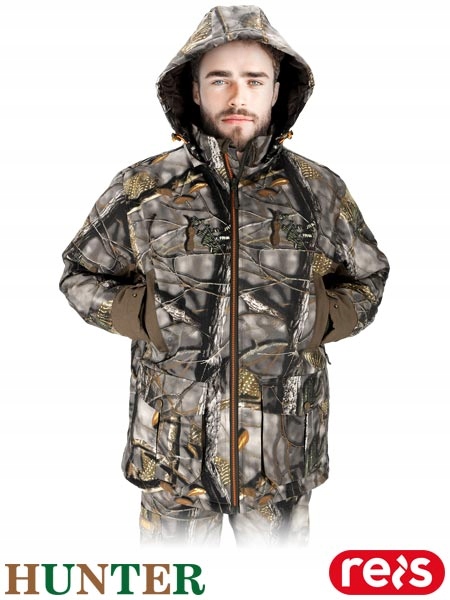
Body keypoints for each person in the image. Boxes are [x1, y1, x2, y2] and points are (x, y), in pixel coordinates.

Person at [60, 5, 389, 547]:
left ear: (277, 90)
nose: (238, 96)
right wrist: (141, 314)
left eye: (254, 80)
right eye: (220, 79)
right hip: (172, 455)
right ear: (194, 90)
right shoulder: (145, 188)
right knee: (177, 581)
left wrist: (322, 318)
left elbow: (369, 277)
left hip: (281, 451)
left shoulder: (318, 189)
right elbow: (80, 272)